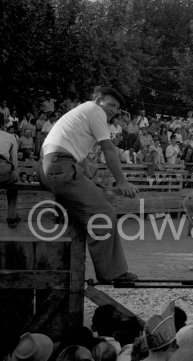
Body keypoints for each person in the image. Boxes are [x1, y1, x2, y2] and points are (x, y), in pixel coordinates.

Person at [38, 85, 139, 284]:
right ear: (97, 99)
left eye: (117, 108)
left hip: (50, 167)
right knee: (104, 213)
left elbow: (77, 155)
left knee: (99, 201)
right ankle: (112, 273)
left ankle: (78, 269)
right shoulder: (95, 111)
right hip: (60, 167)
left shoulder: (82, 112)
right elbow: (109, 150)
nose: (113, 110)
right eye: (111, 104)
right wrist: (122, 181)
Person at [0, 116, 20, 228]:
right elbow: (15, 160)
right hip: (2, 170)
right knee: (15, 176)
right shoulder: (10, 136)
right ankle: (11, 215)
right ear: (3, 124)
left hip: (2, 169)